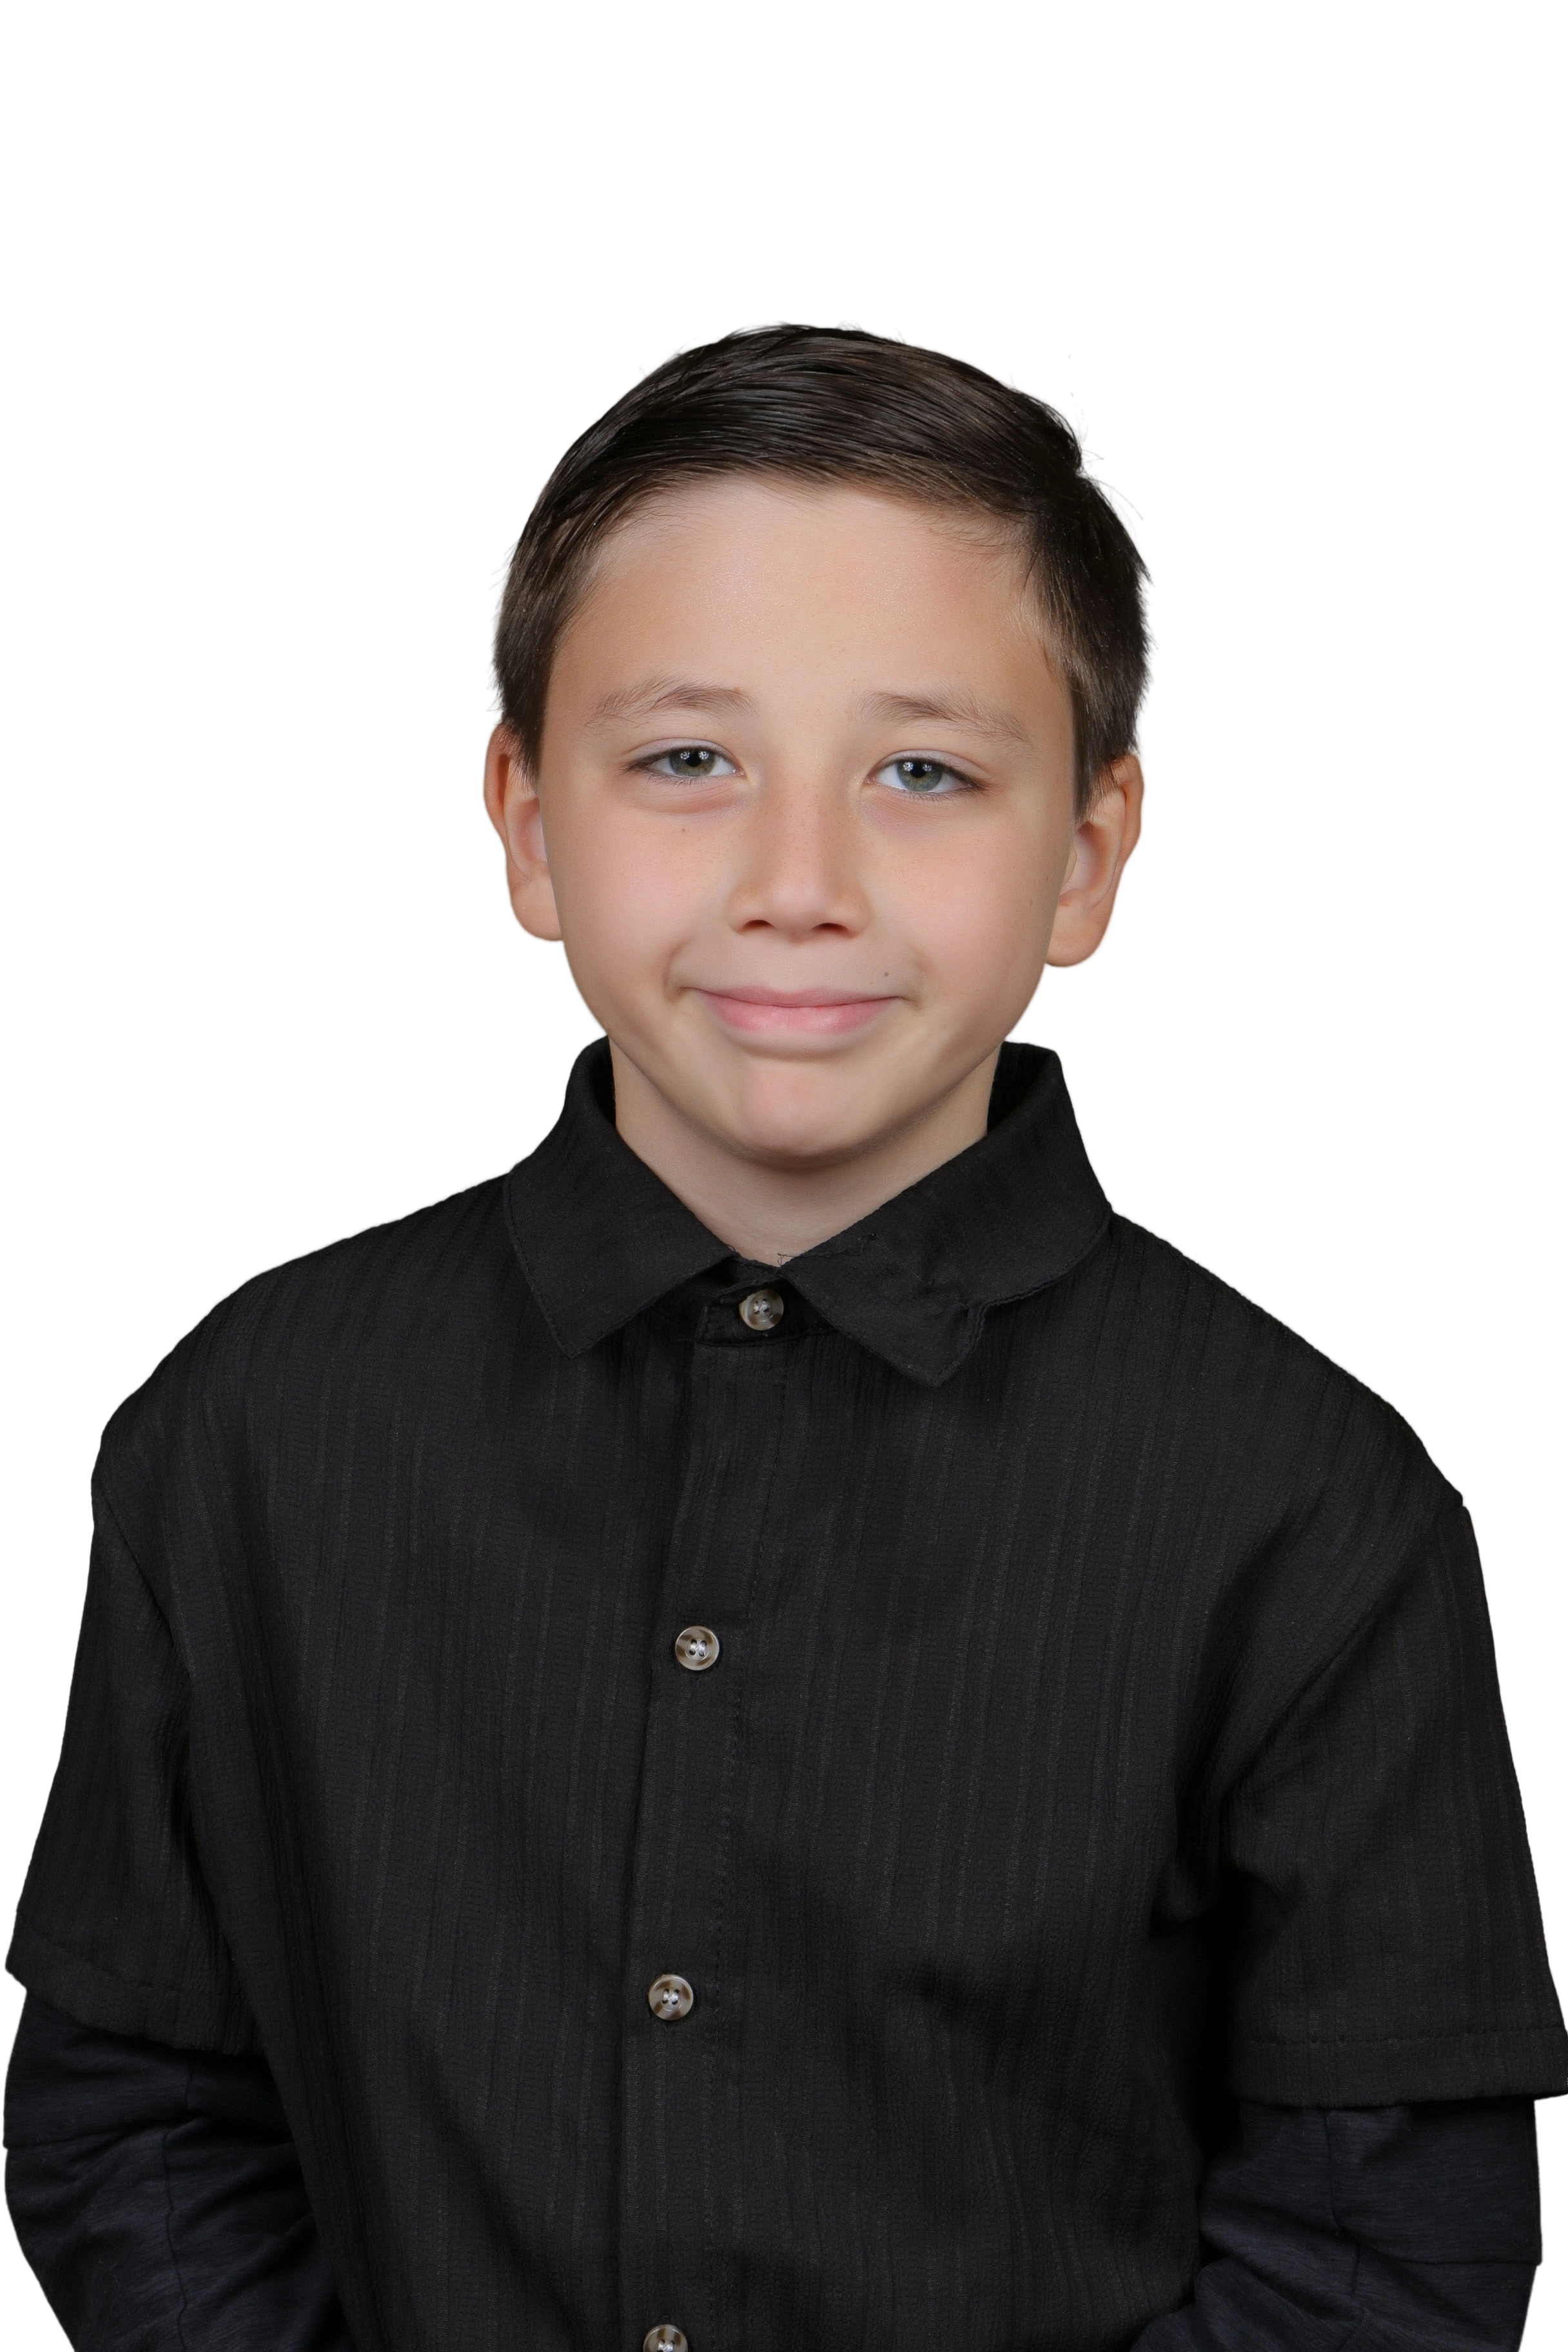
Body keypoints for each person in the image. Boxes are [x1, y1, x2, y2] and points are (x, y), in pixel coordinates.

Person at [3, 315, 1563, 2352]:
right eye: (686, 761)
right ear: (526, 820)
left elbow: (1381, 2248)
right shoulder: (250, 1429)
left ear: (1088, 851)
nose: (797, 882)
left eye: (924, 771)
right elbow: (135, 2120)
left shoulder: (1312, 1509)